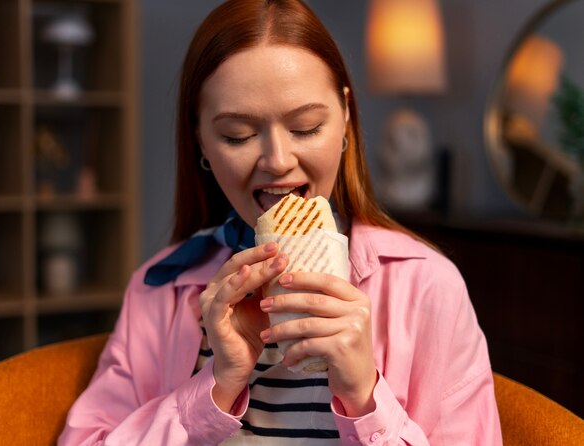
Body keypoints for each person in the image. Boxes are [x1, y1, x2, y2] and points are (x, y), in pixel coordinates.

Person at [59, 0, 502, 444]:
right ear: (201, 140)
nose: (277, 161)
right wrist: (216, 385)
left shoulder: (427, 288)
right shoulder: (161, 291)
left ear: (345, 117)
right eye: (238, 135)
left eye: (306, 127)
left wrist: (365, 398)